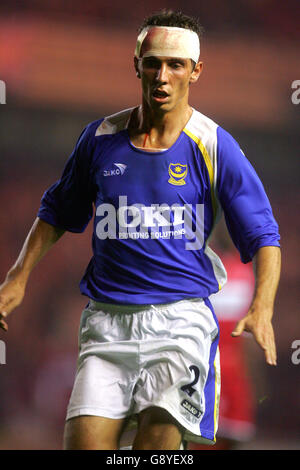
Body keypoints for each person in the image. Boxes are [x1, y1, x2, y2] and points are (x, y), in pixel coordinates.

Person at [0, 10, 281, 450]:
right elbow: (57, 211)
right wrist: (19, 276)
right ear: (137, 65)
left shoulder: (213, 144)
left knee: (156, 451)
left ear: (195, 71)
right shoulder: (99, 138)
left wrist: (263, 307)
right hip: (107, 322)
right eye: (153, 63)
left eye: (175, 64)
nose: (162, 76)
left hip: (180, 322)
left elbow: (265, 235)